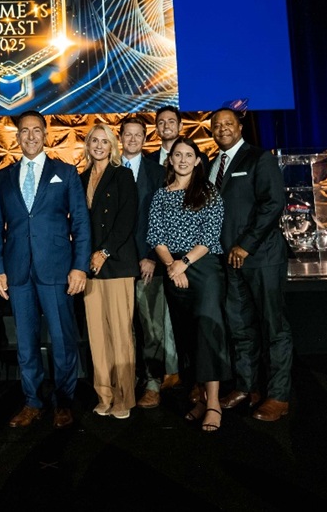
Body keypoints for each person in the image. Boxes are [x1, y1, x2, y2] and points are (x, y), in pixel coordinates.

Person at [0, 110, 91, 430]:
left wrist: (79, 267)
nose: (30, 136)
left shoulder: (66, 171)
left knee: (63, 339)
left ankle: (64, 400)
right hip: (18, 271)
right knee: (26, 342)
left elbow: (81, 223)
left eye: (36, 131)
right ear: (16, 137)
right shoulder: (4, 176)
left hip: (57, 269)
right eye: (24, 131)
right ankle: (32, 401)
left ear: (45, 134)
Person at [209, 108, 294, 422]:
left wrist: (245, 245)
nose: (222, 129)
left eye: (228, 123)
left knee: (274, 328)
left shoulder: (260, 158)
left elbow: (273, 204)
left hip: (262, 259)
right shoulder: (212, 164)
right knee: (240, 327)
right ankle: (247, 387)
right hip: (228, 262)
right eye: (216, 126)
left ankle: (279, 395)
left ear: (239, 126)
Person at [146, 137, 229, 432]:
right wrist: (171, 265)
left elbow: (209, 236)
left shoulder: (208, 193)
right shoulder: (160, 196)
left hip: (203, 268)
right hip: (173, 269)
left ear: (197, 161)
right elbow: (156, 236)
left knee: (207, 333)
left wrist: (185, 263)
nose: (182, 159)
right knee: (186, 338)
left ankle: (214, 403)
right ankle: (199, 398)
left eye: (188, 155)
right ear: (170, 160)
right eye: (176, 154)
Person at [78, 124, 139, 419]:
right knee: (97, 335)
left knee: (120, 333)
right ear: (88, 144)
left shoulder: (122, 175)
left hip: (116, 263)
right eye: (95, 140)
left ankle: (124, 397)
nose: (99, 145)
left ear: (113, 146)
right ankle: (103, 394)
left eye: (105, 141)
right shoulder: (80, 179)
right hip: (89, 268)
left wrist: (104, 252)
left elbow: (127, 218)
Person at [119, 115, 174, 409]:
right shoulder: (109, 169)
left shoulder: (156, 172)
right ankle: (127, 381)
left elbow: (163, 218)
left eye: (138, 135)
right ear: (121, 138)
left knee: (151, 326)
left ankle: (152, 383)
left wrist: (152, 256)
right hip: (116, 266)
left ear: (145, 138)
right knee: (122, 327)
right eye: (127, 134)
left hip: (147, 263)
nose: (132, 139)